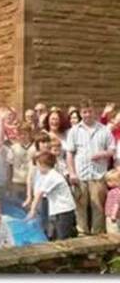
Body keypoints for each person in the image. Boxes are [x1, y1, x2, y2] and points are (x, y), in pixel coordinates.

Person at [67, 98, 115, 235]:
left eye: (90, 111)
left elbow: (112, 150)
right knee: (80, 208)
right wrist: (72, 173)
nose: (87, 114)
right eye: (84, 112)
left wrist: (102, 154)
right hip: (80, 176)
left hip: (98, 175)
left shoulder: (104, 130)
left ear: (94, 111)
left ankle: (97, 236)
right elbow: (70, 154)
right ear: (81, 113)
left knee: (98, 208)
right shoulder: (74, 131)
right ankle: (82, 235)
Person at [27, 151, 77, 240]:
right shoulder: (48, 175)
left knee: (62, 237)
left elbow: (39, 194)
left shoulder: (52, 176)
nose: (37, 168)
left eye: (38, 165)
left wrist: (32, 211)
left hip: (64, 210)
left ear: (43, 165)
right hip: (58, 210)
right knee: (55, 235)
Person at [7, 122, 36, 204]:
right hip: (17, 182)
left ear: (30, 134)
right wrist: (9, 182)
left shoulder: (35, 148)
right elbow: (9, 166)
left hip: (32, 183)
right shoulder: (13, 148)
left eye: (25, 134)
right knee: (17, 207)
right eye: (20, 134)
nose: (22, 136)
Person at [104, 169, 120, 234]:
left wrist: (113, 214)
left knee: (113, 232)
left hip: (112, 216)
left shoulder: (116, 192)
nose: (107, 183)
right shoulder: (114, 191)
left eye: (108, 181)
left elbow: (117, 203)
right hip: (114, 216)